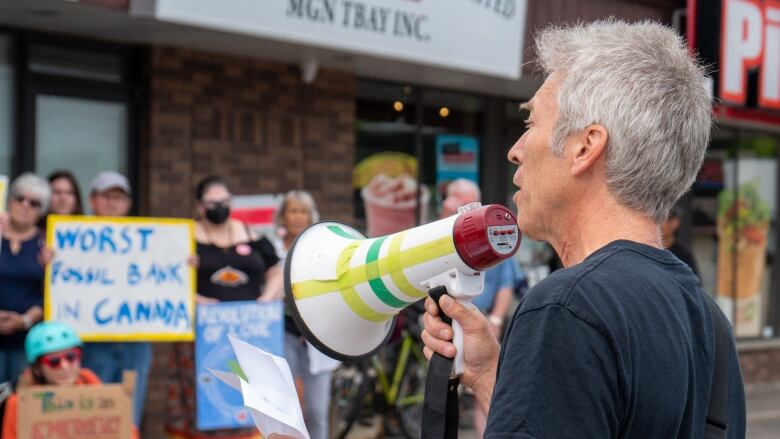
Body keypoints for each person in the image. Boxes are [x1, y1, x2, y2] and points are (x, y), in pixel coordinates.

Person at [421, 20, 746, 438]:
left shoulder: (568, 308)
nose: (514, 151)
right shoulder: (710, 324)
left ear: (585, 148)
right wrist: (489, 376)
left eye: (530, 123)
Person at [166, 175, 282, 439]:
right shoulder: (186, 238)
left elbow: (276, 269)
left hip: (250, 332)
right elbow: (166, 277)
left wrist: (268, 297)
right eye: (211, 203)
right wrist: (193, 295)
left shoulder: (251, 235)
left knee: (247, 396)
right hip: (203, 337)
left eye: (224, 202)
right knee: (208, 396)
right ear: (199, 206)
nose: (218, 207)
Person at [440, 178, 522, 438]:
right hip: (451, 317)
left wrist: (496, 320)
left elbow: (507, 283)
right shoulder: (443, 232)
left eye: (461, 206)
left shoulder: (491, 235)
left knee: (488, 384)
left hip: (485, 318)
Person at [79, 171, 151, 429]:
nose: (112, 202)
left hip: (135, 339)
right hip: (94, 341)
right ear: (92, 201)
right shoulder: (75, 239)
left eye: (119, 197)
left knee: (130, 411)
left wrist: (183, 263)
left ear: (128, 204)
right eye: (106, 196)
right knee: (94, 410)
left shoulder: (149, 241)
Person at [1, 321, 139, 439]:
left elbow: (126, 430)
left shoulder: (88, 381)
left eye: (71, 356)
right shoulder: (20, 402)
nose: (65, 367)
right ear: (38, 368)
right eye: (54, 361)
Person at [274, 190, 338, 439]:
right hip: (285, 333)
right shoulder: (272, 250)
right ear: (282, 216)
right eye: (293, 211)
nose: (298, 217)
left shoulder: (322, 248)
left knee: (316, 410)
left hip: (318, 338)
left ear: (311, 216)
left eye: (303, 211)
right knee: (285, 406)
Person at [0, 173, 49, 385]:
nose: (25, 205)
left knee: (18, 405)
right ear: (9, 200)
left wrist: (25, 320)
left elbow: (49, 293)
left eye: (34, 203)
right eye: (20, 198)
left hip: (27, 341)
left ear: (41, 210)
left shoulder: (46, 243)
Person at [662, 204, 699, 276]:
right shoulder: (651, 250)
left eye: (664, 219)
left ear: (675, 222)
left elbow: (694, 282)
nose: (660, 224)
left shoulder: (684, 255)